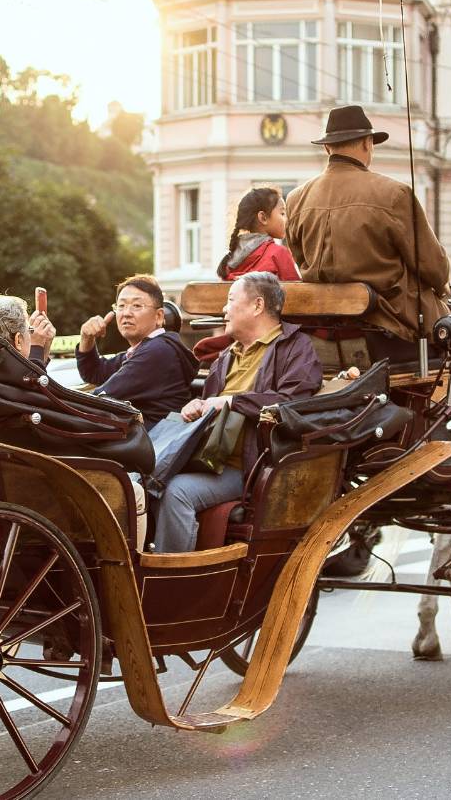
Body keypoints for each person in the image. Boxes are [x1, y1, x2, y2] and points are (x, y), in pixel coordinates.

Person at [285, 104, 451, 460]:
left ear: (327, 147)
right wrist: (439, 284)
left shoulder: (296, 199)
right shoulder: (393, 194)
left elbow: (301, 260)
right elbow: (433, 267)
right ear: (367, 144)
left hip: (322, 336)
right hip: (388, 333)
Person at [152, 272, 322, 553]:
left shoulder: (295, 347)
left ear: (257, 306)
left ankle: (174, 581)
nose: (224, 309)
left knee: (177, 492)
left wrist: (231, 401)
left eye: (230, 300)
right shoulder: (227, 355)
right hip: (209, 459)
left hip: (250, 466)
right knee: (144, 481)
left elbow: (293, 403)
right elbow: (210, 406)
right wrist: (195, 406)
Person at [76, 274, 197, 428]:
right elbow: (95, 373)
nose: (126, 313)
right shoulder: (143, 349)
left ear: (159, 316)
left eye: (137, 306)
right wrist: (86, 338)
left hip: (155, 446)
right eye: (121, 306)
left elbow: (100, 398)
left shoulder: (158, 352)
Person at [216, 187, 301, 281]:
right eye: (282, 213)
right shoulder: (278, 253)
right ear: (263, 218)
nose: (287, 219)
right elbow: (297, 293)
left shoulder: (229, 260)